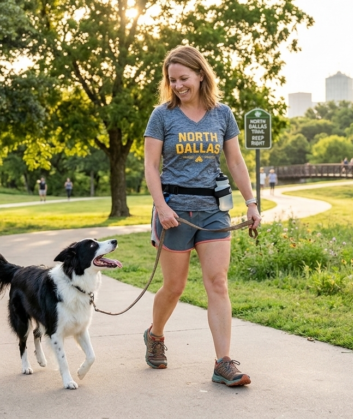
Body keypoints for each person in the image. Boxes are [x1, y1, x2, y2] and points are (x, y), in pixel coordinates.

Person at [143, 45, 260, 387]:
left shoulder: (221, 113)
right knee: (175, 287)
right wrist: (162, 207)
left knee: (218, 283)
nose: (178, 85)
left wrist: (251, 202)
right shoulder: (162, 115)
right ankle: (156, 335)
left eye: (183, 78)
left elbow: (235, 162)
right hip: (174, 212)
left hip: (213, 211)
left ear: (200, 75)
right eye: (172, 80)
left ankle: (223, 363)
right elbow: (151, 166)